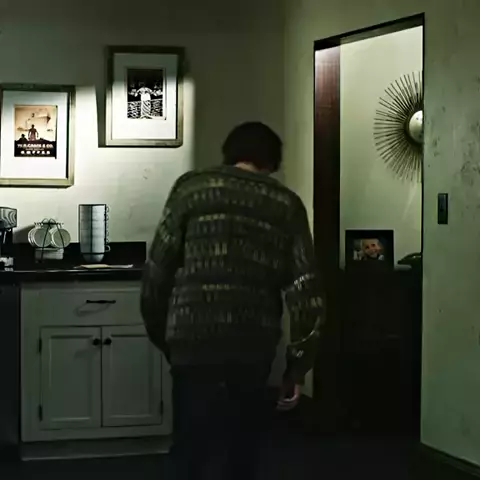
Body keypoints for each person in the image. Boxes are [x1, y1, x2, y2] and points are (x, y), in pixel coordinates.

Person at [141, 122, 323, 480]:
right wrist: (297, 366)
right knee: (243, 450)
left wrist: (165, 336)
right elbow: (306, 292)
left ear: (229, 153)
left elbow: (157, 272)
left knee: (190, 449)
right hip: (251, 341)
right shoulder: (286, 204)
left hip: (192, 338)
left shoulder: (190, 189)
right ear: (271, 161)